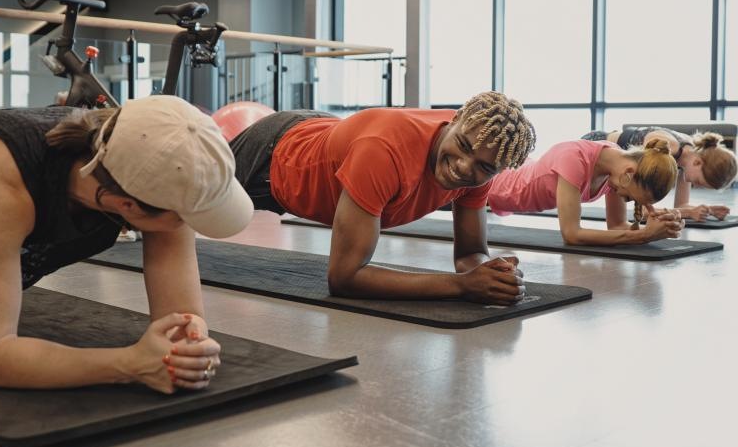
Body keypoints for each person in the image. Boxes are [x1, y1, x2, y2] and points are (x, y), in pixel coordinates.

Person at [0, 95, 254, 393]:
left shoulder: (151, 168)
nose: (188, 226)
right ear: (128, 206)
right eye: (185, 219)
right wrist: (131, 364)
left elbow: (181, 315)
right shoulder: (2, 180)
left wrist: (189, 343)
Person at [230, 91, 536, 305]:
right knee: (185, 201)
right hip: (274, 153)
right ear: (455, 121)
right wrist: (462, 286)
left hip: (326, 131)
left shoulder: (483, 152)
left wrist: (491, 274)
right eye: (463, 147)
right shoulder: (384, 153)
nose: (463, 167)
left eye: (484, 167)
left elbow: (470, 255)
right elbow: (344, 278)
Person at [488, 138, 685, 246]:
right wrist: (643, 236)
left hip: (520, 173)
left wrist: (659, 227)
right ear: (628, 174)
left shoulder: (616, 167)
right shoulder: (574, 158)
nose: (624, 200)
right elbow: (572, 235)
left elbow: (616, 226)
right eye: (629, 197)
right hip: (498, 185)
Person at [582, 127, 737, 221]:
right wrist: (688, 213)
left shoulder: (687, 159)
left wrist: (707, 210)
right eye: (699, 181)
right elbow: (643, 210)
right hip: (595, 146)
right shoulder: (668, 146)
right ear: (698, 163)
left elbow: (681, 206)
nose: (695, 185)